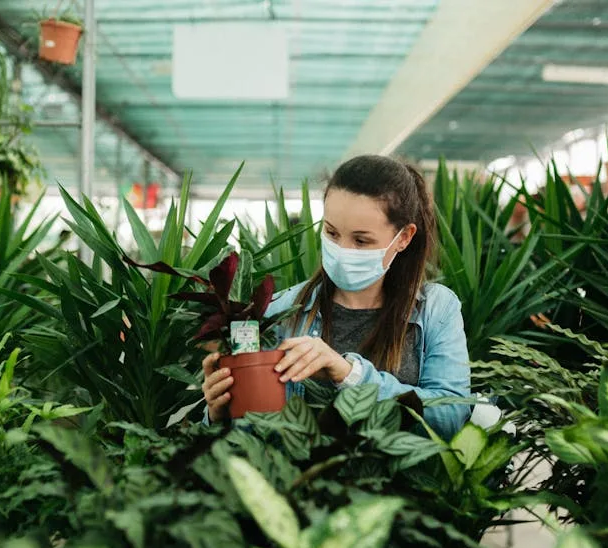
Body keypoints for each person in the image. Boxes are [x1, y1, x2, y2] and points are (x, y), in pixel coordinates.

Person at [201, 155, 471, 439]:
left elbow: (451, 415)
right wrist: (219, 413)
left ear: (403, 238)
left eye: (361, 240)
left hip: (397, 482)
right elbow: (249, 437)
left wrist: (350, 374)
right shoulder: (279, 312)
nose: (342, 250)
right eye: (331, 232)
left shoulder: (436, 309)